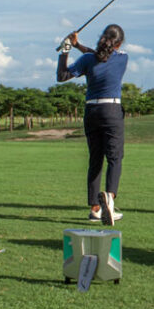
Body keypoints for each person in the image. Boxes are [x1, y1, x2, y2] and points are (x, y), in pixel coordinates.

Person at [56, 24, 128, 226]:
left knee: (95, 159)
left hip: (91, 112)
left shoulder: (88, 59)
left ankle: (95, 208)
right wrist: (78, 46)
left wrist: (67, 49)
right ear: (119, 43)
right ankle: (110, 201)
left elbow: (62, 76)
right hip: (111, 111)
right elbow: (101, 55)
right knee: (115, 158)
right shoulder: (123, 58)